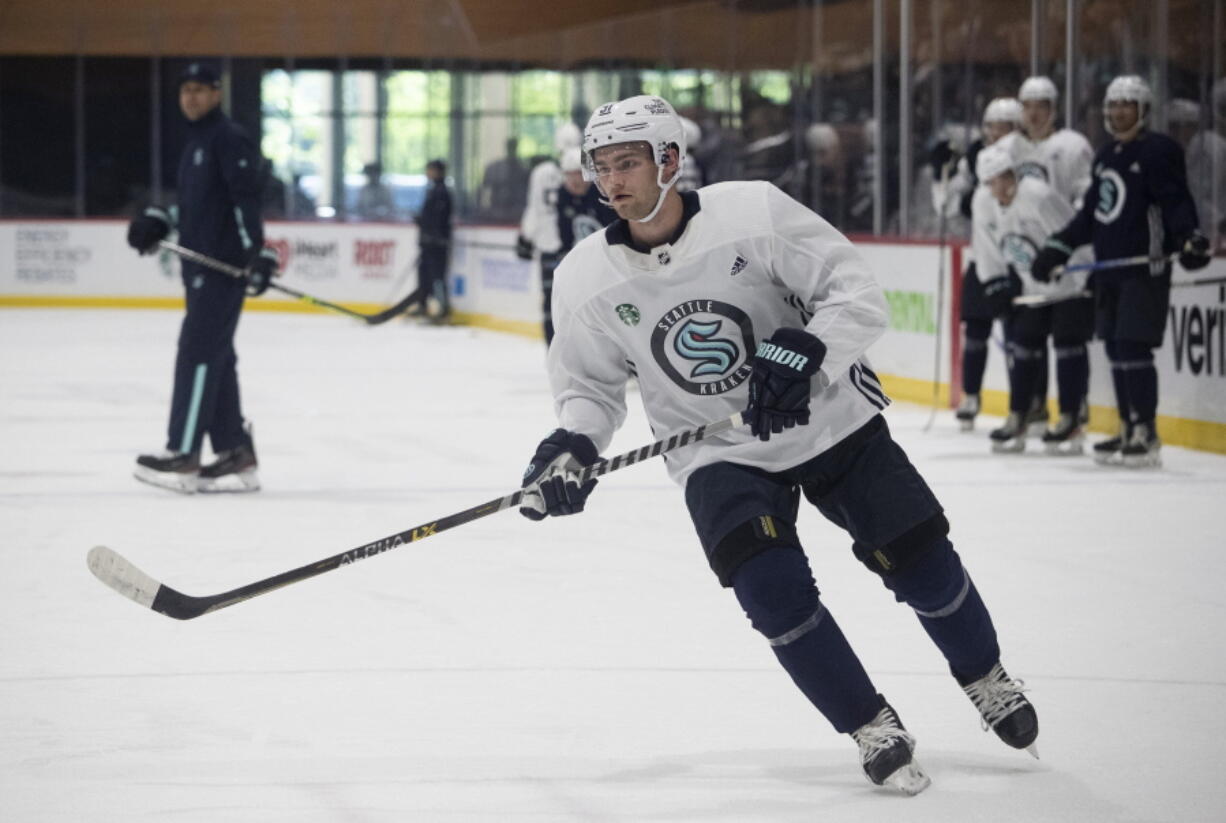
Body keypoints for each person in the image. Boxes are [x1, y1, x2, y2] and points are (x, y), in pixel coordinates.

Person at [517, 95, 1039, 795]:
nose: (612, 181)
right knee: (770, 593)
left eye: (628, 163)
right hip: (716, 453)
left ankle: (984, 673)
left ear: (669, 161)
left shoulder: (752, 213)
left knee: (922, 564)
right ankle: (868, 723)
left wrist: (806, 352)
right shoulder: (584, 278)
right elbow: (589, 386)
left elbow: (854, 293)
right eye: (601, 166)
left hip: (831, 420)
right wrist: (572, 443)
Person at [1032, 75, 1212, 467]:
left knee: (1133, 345)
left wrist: (1189, 236)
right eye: (1112, 105)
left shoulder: (1158, 151)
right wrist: (1056, 248)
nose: (1117, 111)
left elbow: (1175, 200)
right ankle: (1129, 426)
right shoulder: (1107, 155)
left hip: (1143, 267)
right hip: (1110, 268)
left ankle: (1146, 431)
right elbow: (1091, 216)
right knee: (1115, 345)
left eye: (1126, 104)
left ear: (1144, 109)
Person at [125, 62, 277, 494]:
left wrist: (256, 254)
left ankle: (184, 453)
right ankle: (233, 450)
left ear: (216, 94)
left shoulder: (228, 138)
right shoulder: (197, 143)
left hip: (220, 270)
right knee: (217, 357)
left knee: (196, 352)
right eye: (185, 90)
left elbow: (245, 202)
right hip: (201, 270)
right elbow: (196, 209)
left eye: (199, 89)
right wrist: (159, 219)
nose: (190, 97)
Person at [971, 143, 1094, 453]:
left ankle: (1070, 418)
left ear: (1010, 173)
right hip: (1033, 290)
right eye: (989, 182)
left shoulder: (1036, 195)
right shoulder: (989, 203)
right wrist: (996, 284)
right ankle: (1019, 416)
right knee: (1023, 347)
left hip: (1069, 287)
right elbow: (990, 247)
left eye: (998, 178)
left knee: (1068, 348)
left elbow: (1072, 234)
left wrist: (1078, 274)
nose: (994, 188)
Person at [994, 76, 1097, 439]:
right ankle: (1027, 410)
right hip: (1028, 264)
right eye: (1028, 105)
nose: (1034, 113)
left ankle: (1073, 411)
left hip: (1069, 262)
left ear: (1054, 109)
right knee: (1026, 343)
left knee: (1069, 342)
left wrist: (1076, 245)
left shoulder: (1072, 147)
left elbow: (1089, 198)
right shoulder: (1009, 147)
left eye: (1042, 105)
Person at [930, 97, 1024, 430]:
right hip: (982, 255)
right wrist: (938, 174)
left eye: (1006, 127)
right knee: (975, 330)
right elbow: (947, 206)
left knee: (1020, 338)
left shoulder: (1024, 159)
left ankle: (1025, 405)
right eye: (992, 126)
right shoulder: (975, 159)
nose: (997, 133)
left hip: (1019, 259)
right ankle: (971, 395)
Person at [536, 147, 616, 344]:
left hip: (600, 265)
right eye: (570, 175)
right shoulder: (557, 198)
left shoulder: (604, 196)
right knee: (553, 307)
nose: (576, 181)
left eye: (580, 175)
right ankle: (555, 352)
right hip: (566, 263)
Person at [516, 122, 583, 330]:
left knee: (551, 305)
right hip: (577, 248)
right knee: (581, 305)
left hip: (549, 248)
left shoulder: (542, 172)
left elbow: (534, 209)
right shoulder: (585, 169)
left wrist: (526, 236)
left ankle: (554, 356)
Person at [403, 159, 453, 321]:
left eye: (431, 170)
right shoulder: (432, 190)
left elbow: (440, 220)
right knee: (424, 274)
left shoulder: (442, 192)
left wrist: (433, 234)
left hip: (436, 244)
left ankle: (441, 307)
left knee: (437, 275)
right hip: (427, 242)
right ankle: (423, 304)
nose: (428, 173)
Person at [479, 137, 530, 222]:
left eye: (513, 146)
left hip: (516, 212)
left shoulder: (523, 169)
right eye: (510, 146)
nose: (512, 149)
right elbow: (483, 190)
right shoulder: (494, 168)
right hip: (496, 211)